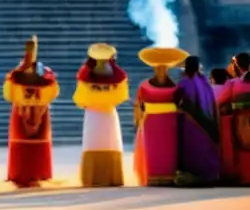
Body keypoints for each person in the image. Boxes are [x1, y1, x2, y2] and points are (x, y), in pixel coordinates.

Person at [3, 36, 59, 188]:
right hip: (22, 110)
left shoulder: (44, 72)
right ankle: (20, 175)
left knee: (38, 145)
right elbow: (9, 91)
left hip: (39, 110)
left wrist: (40, 102)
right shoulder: (17, 72)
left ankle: (40, 173)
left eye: (33, 50)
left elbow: (53, 89)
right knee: (22, 145)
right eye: (28, 50)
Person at [73, 43, 128, 188]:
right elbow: (121, 96)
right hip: (106, 112)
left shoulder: (86, 74)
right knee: (107, 142)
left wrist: (93, 99)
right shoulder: (118, 75)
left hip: (94, 113)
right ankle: (111, 177)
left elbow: (80, 97)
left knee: (97, 142)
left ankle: (93, 178)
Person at [134, 46, 186, 187]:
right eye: (158, 68)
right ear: (154, 69)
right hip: (151, 122)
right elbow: (138, 104)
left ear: (167, 69)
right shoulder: (144, 85)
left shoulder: (175, 86)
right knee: (152, 149)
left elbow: (181, 103)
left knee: (169, 149)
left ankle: (169, 176)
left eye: (163, 68)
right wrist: (137, 121)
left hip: (170, 122)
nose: (160, 71)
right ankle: (152, 175)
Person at [218, 52, 250, 185]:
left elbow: (220, 102)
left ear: (236, 65)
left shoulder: (233, 83)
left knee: (243, 150)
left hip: (240, 121)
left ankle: (246, 178)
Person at [176, 55, 221, 184]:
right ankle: (208, 174)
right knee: (205, 146)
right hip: (207, 121)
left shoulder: (184, 82)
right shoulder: (205, 82)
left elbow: (177, 99)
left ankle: (193, 174)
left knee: (192, 147)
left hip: (190, 122)